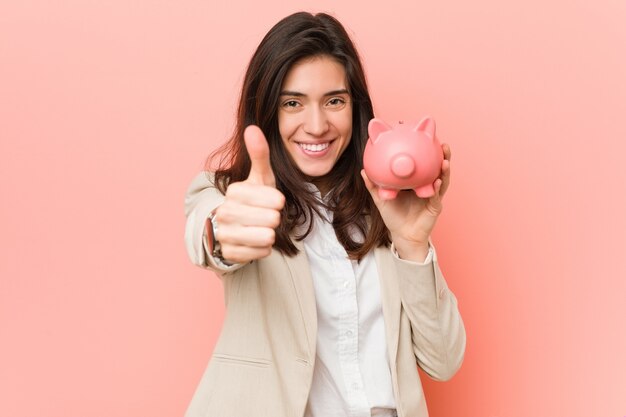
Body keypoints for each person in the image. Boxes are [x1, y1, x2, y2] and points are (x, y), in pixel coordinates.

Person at [184, 11, 465, 417]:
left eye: (334, 101)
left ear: (356, 107)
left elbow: (443, 362)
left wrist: (412, 243)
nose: (316, 126)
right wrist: (225, 233)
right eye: (292, 103)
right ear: (266, 112)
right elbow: (207, 231)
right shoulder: (231, 195)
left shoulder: (385, 205)